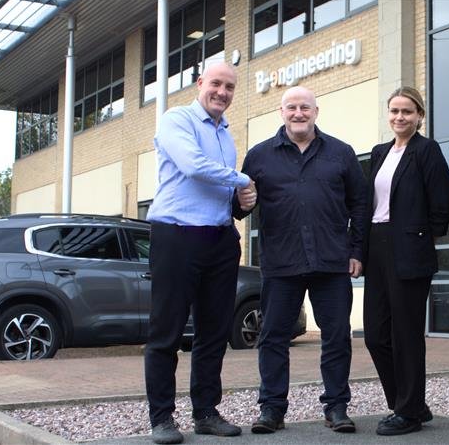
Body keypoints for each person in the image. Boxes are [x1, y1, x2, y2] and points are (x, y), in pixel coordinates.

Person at [233, 86, 367, 435]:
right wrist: (241, 202)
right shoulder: (259, 156)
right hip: (281, 263)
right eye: (291, 107)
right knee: (273, 337)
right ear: (281, 112)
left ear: (316, 112)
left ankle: (336, 407)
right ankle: (272, 409)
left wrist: (357, 250)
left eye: (305, 107)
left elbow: (360, 204)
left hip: (332, 261)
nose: (298, 113)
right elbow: (239, 207)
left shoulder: (341, 153)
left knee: (336, 336)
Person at [144, 62, 256, 444]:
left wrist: (244, 200)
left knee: (214, 333)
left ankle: (205, 412)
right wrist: (242, 179)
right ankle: (161, 418)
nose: (222, 92)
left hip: (220, 239)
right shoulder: (176, 119)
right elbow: (193, 167)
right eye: (216, 84)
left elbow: (223, 189)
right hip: (176, 236)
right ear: (200, 84)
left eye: (229, 87)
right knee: (167, 332)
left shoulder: (227, 134)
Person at [362, 87, 449, 436]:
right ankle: (409, 402)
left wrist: (424, 238)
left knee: (406, 335)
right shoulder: (380, 152)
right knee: (375, 335)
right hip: (377, 247)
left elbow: (441, 203)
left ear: (419, 116)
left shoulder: (426, 151)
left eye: (407, 112)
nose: (400, 117)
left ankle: (408, 412)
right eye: (395, 111)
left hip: (410, 248)